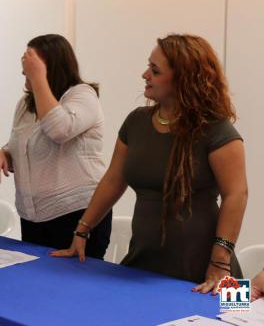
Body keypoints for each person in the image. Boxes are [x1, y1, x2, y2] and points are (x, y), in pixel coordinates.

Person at [51, 34, 248, 294]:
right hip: (145, 260)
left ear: (184, 80)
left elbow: (237, 195)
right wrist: (82, 231)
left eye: (155, 70)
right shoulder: (137, 121)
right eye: (148, 66)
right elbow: (113, 179)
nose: (145, 74)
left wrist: (220, 262)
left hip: (210, 268)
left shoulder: (217, 129)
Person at [0, 34, 112, 256]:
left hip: (78, 215)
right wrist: (2, 154)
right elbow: (21, 147)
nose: (24, 70)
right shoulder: (26, 103)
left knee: (76, 286)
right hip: (34, 217)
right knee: (39, 285)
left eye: (32, 63)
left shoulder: (83, 95)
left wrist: (38, 78)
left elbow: (59, 130)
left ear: (51, 66)